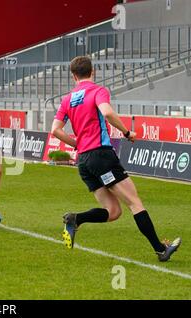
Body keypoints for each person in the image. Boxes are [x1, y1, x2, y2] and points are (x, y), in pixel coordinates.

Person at [51, 56, 181, 262]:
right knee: (135, 203)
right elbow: (108, 113)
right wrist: (127, 132)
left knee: (113, 211)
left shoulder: (67, 100)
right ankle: (160, 249)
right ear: (93, 72)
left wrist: (76, 144)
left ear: (73, 76)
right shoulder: (97, 91)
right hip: (101, 155)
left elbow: (55, 130)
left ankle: (76, 219)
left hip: (84, 161)